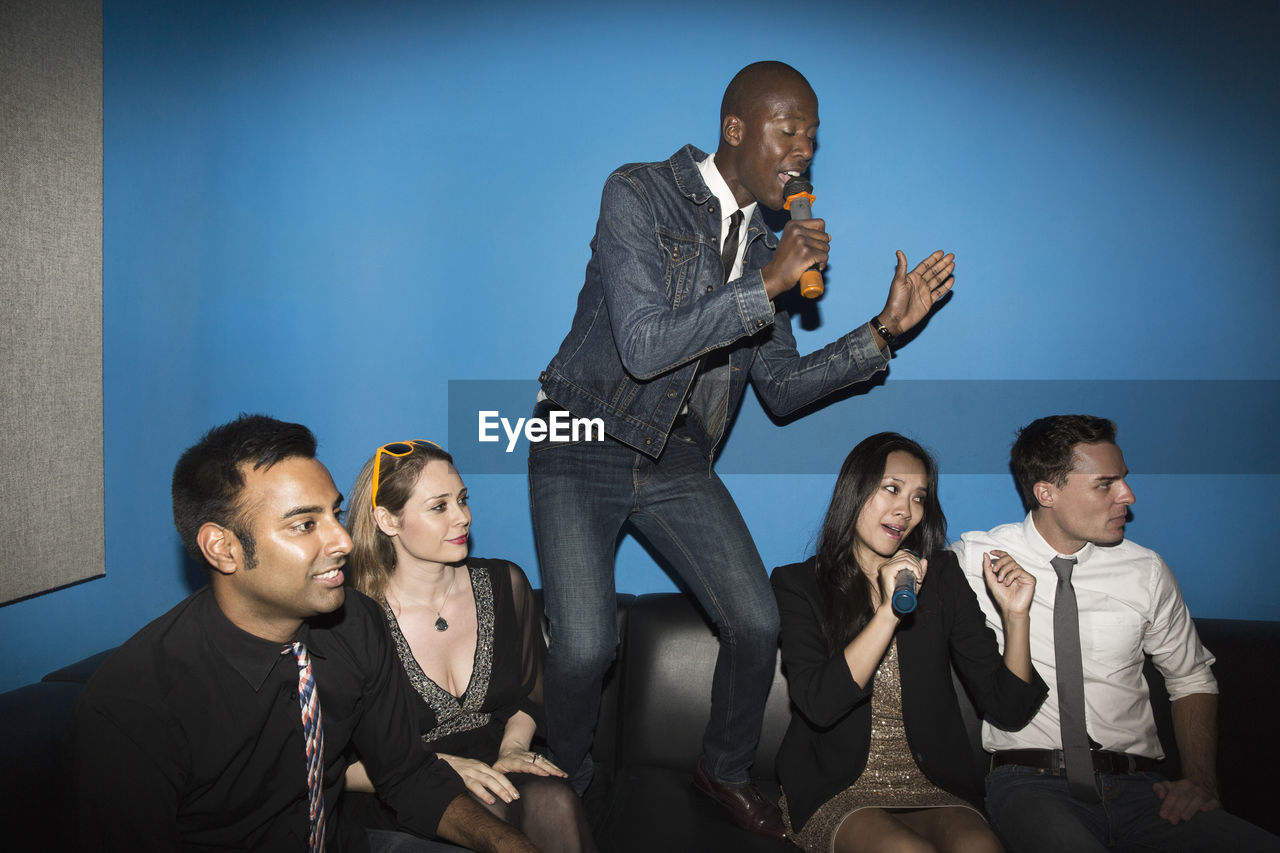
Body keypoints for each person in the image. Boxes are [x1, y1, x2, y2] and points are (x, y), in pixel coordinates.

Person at [528, 59, 956, 838]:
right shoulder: (639, 191)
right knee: (585, 645)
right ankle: (568, 784)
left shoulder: (768, 237)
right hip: (580, 430)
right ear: (735, 129)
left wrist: (884, 331)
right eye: (787, 129)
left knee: (756, 623)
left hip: (676, 452)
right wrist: (766, 280)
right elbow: (644, 345)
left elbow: (784, 387)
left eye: (813, 139)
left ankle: (721, 769)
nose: (803, 151)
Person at [67, 415, 536, 853]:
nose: (344, 541)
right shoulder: (134, 703)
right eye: (305, 524)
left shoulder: (358, 622)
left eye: (336, 514)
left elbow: (408, 777)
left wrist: (510, 846)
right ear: (223, 548)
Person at [950, 414, 1280, 852]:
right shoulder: (976, 559)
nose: (1128, 495)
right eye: (1105, 484)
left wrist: (1201, 781)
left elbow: (1192, 678)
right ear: (1046, 492)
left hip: (1144, 790)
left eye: (1122, 479)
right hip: (1031, 785)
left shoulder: (1145, 570)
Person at [772, 432, 1047, 852]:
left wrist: (1016, 616)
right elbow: (819, 704)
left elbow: (1007, 708)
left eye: (919, 498)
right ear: (855, 489)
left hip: (933, 784)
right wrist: (888, 612)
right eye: (892, 489)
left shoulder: (940, 576)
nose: (906, 510)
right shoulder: (798, 584)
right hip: (838, 787)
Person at [341, 439, 596, 853]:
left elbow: (530, 694)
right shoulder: (353, 617)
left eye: (462, 499)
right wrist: (431, 768)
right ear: (388, 520)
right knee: (485, 813)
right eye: (439, 506)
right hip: (399, 788)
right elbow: (331, 763)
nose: (463, 518)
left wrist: (514, 746)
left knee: (556, 801)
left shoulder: (503, 584)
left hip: (496, 764)